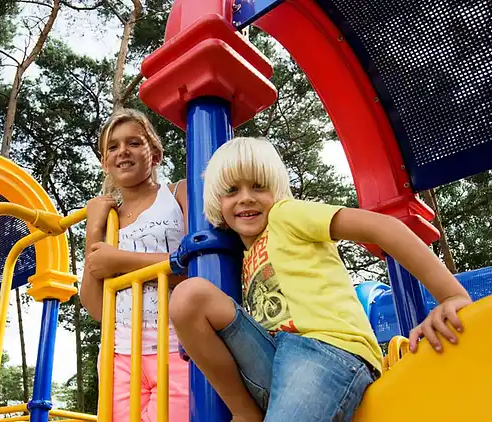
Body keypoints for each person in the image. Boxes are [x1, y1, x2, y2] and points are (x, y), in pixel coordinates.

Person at [168, 137, 472, 422]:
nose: (246, 198)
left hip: (326, 351)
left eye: (258, 187)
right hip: (274, 359)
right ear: (216, 201)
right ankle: (246, 413)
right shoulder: (244, 257)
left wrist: (449, 295)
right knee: (189, 297)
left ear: (276, 190)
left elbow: (382, 227)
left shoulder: (286, 215)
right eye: (232, 191)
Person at [80, 108, 190, 422]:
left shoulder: (176, 194)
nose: (122, 151)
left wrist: (121, 261)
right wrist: (93, 230)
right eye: (112, 147)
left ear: (154, 154)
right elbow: (97, 307)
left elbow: (196, 266)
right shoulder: (108, 217)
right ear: (104, 161)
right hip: (120, 354)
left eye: (133, 142)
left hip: (177, 345)